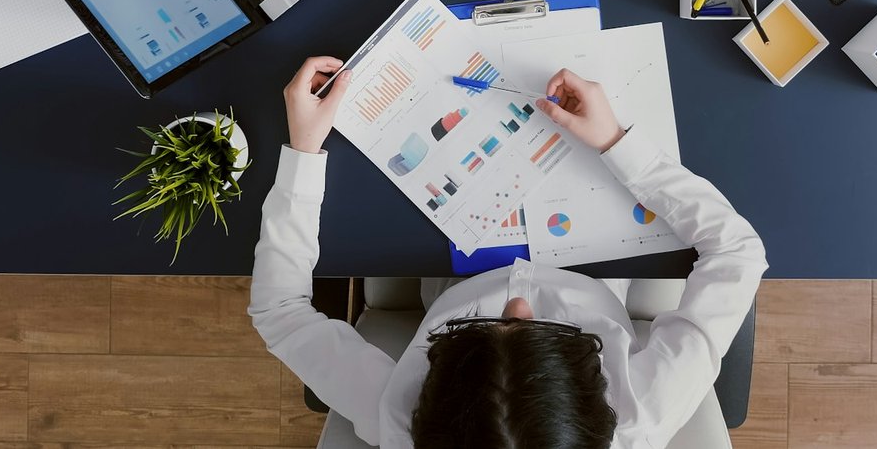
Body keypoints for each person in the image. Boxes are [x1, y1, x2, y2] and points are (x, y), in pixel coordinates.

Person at [250, 56, 767, 447]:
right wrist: (614, 141)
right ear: (600, 395)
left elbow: (279, 313)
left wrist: (303, 150)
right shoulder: (643, 413)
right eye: (554, 334)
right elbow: (737, 252)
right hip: (599, 268)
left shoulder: (401, 419)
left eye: (479, 328)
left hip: (449, 275)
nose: (517, 306)